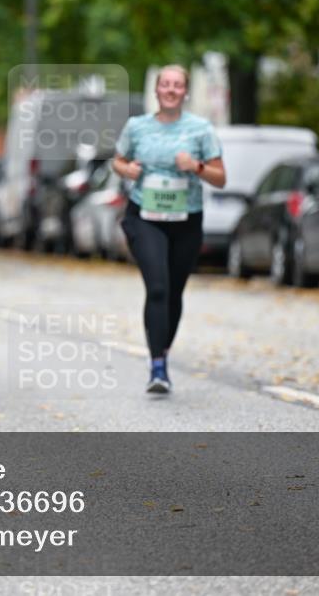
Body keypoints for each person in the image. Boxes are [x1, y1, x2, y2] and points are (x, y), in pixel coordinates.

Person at [112, 64, 226, 394]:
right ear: (157, 90)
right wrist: (127, 169)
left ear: (186, 92)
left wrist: (196, 166)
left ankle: (162, 349)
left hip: (186, 220)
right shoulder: (137, 127)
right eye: (166, 84)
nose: (171, 90)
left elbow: (220, 177)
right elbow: (117, 161)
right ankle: (157, 367)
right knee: (158, 287)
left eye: (178, 85)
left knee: (174, 291)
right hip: (145, 217)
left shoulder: (201, 130)